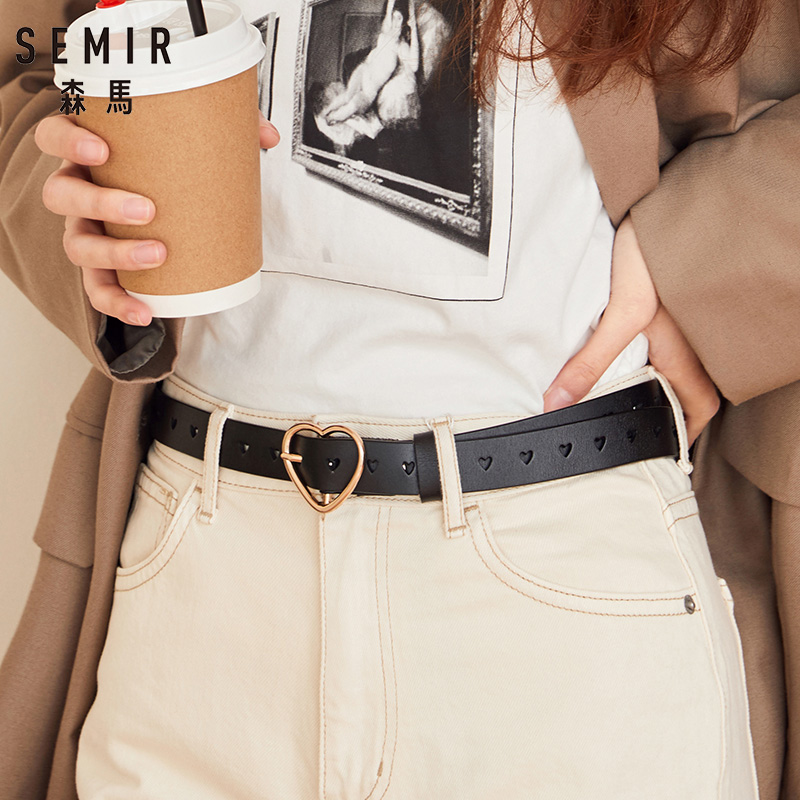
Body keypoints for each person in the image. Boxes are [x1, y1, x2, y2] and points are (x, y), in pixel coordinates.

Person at [1, 0, 797, 797]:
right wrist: (96, 214)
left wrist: (702, 257)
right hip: (199, 578)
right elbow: (25, 67)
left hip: (570, 573)